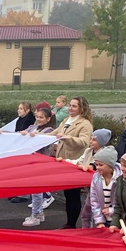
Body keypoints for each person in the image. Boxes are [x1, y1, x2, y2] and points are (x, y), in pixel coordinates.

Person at [49, 95, 94, 228]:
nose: (70, 108)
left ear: (82, 108)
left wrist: (67, 138)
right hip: (63, 161)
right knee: (68, 194)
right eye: (70, 105)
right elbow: (54, 134)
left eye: (74, 106)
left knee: (73, 195)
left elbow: (84, 142)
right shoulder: (66, 120)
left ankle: (71, 224)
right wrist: (34, 135)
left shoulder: (85, 124)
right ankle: (69, 223)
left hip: (76, 163)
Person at [20, 107, 56, 227]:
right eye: (37, 117)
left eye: (41, 117)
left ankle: (35, 215)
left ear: (48, 119)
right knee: (35, 189)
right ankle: (39, 213)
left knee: (36, 190)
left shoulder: (49, 130)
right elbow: (21, 134)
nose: (38, 119)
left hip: (40, 163)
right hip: (31, 162)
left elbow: (43, 138)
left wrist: (32, 135)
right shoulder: (32, 127)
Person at [88, 146, 120, 229]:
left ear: (111, 166)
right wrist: (99, 221)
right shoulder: (96, 178)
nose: (97, 167)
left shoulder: (121, 179)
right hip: (103, 219)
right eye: (96, 164)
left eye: (101, 165)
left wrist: (111, 211)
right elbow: (94, 200)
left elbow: (122, 202)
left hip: (118, 220)